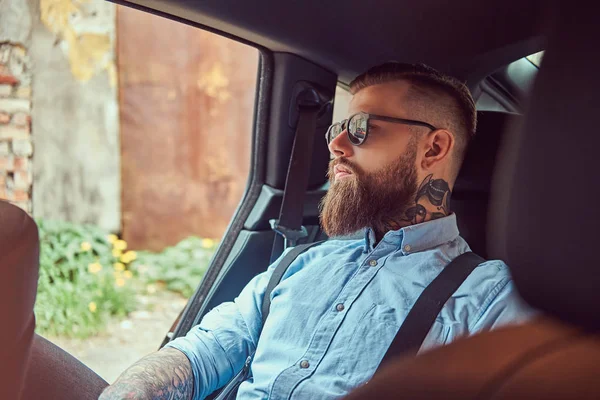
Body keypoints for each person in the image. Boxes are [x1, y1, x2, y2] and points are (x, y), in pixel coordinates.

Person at [99, 63, 534, 400]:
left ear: (433, 148)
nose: (337, 145)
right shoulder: (301, 264)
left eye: (361, 129)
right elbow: (200, 354)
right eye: (337, 129)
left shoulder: (491, 299)